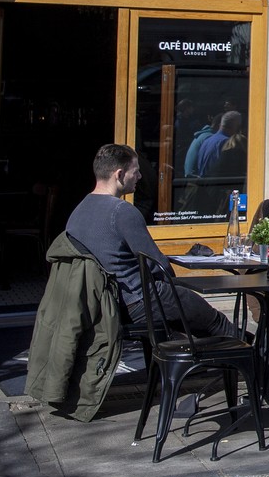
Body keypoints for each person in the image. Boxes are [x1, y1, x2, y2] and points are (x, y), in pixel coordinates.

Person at [65, 144, 241, 341]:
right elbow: (158, 266)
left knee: (184, 323)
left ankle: (198, 365)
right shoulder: (122, 211)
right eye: (137, 171)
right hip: (138, 299)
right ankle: (258, 361)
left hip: (105, 301)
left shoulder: (78, 211)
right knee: (214, 321)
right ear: (120, 174)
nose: (140, 177)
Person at [192, 111, 243, 177]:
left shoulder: (207, 140)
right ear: (238, 127)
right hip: (215, 183)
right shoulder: (227, 142)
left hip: (204, 183)